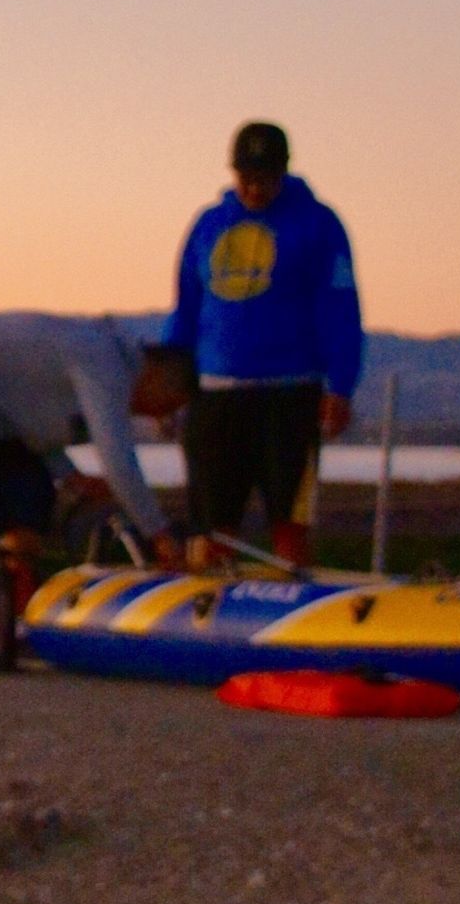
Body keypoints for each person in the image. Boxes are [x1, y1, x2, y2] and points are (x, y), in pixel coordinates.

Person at [0, 312, 170, 671]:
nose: (158, 418)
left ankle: (15, 624)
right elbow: (117, 460)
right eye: (168, 404)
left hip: (4, 411)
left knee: (31, 499)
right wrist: (159, 532)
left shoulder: (104, 362)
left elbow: (36, 426)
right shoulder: (105, 366)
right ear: (159, 377)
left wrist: (69, 475)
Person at [153, 121, 360, 570]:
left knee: (290, 517)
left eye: (264, 177)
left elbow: (340, 308)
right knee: (212, 520)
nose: (253, 187)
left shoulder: (318, 225)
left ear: (283, 172)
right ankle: (205, 613)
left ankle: (295, 600)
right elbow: (185, 309)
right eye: (245, 176)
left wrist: (340, 386)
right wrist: (168, 388)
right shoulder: (208, 226)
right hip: (216, 395)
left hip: (293, 394)